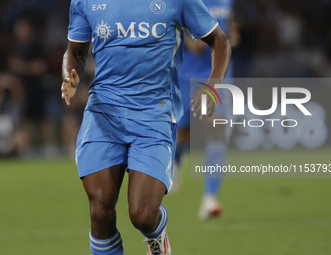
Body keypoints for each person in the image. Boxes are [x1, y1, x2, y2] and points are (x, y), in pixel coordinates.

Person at [61, 0, 231, 254]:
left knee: (142, 215)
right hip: (103, 113)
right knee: (100, 209)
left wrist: (213, 85)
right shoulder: (86, 1)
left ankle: (157, 235)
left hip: (155, 113)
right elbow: (75, 51)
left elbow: (220, 40)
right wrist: (69, 75)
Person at [173, 0, 239, 220]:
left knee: (216, 130)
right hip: (185, 73)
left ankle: (210, 198)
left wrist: (232, 35)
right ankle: (177, 161)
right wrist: (190, 38)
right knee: (182, 133)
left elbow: (228, 26)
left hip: (217, 72)